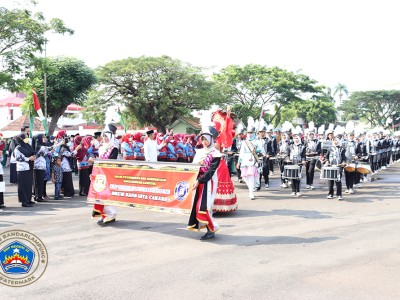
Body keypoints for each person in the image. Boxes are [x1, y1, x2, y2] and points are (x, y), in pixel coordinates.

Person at [188, 126, 222, 240]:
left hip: (209, 182)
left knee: (205, 207)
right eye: (202, 139)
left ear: (211, 139)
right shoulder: (199, 152)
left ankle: (212, 229)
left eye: (206, 139)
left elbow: (211, 171)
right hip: (199, 182)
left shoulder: (215, 153)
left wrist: (200, 180)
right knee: (201, 207)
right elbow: (193, 167)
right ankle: (210, 229)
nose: (204, 142)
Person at [90, 127, 119, 225]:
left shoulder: (114, 148)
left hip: (109, 174)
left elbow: (111, 161)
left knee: (108, 195)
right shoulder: (101, 147)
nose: (105, 138)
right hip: (100, 174)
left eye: (107, 137)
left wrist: (96, 161)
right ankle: (104, 214)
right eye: (104, 136)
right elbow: (99, 160)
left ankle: (111, 214)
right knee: (101, 195)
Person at [236, 126, 265, 200]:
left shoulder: (257, 141)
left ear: (254, 133)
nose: (250, 134)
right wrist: (239, 162)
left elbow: (262, 151)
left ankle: (251, 192)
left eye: (251, 133)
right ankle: (251, 188)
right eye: (248, 133)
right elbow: (242, 153)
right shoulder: (244, 142)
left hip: (253, 160)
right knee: (245, 176)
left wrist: (256, 150)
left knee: (251, 175)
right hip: (245, 160)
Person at [14, 133, 35, 207]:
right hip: (22, 169)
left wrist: (33, 156)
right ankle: (24, 201)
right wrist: (28, 158)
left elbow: (32, 152)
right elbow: (18, 158)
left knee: (28, 184)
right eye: (25, 137)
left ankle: (28, 199)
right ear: (21, 139)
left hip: (29, 167)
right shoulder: (18, 148)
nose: (27, 138)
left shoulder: (28, 146)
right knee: (23, 185)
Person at [323, 136, 346, 200]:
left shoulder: (342, 149)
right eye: (334, 140)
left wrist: (343, 163)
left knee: (338, 180)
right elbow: (326, 157)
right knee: (330, 181)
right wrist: (327, 161)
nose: (335, 142)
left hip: (339, 166)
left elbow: (344, 158)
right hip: (331, 166)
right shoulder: (329, 148)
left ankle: (339, 194)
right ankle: (330, 194)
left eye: (336, 140)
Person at [32, 134, 49, 202]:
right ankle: (39, 196)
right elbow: (49, 149)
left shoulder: (39, 146)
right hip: (39, 167)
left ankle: (38, 196)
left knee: (38, 182)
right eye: (43, 137)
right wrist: (59, 143)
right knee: (39, 182)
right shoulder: (40, 147)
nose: (44, 139)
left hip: (40, 166)